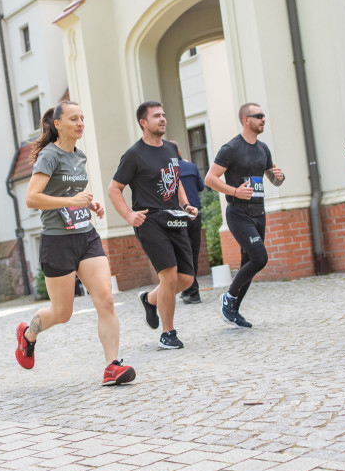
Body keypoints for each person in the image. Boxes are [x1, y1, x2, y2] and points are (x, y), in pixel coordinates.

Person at [14, 101, 134, 385]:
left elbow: (73, 192)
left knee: (105, 299)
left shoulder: (79, 155)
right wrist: (71, 201)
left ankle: (111, 367)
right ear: (57, 124)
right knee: (62, 312)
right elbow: (32, 198)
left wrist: (90, 203)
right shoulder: (49, 156)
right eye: (73, 118)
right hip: (57, 241)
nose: (80, 123)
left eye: (82, 118)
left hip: (85, 236)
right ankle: (28, 333)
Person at [108, 101, 200, 349]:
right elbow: (114, 189)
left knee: (187, 279)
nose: (162, 119)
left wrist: (185, 204)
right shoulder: (133, 154)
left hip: (174, 217)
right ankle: (167, 334)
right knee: (168, 274)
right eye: (156, 116)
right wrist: (129, 215)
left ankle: (149, 299)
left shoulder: (171, 148)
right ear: (143, 123)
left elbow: (175, 179)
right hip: (149, 220)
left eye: (163, 114)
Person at [205, 103, 285, 327]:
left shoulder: (263, 149)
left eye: (263, 116)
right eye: (258, 116)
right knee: (260, 258)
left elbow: (273, 178)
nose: (263, 119)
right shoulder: (231, 148)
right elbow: (210, 179)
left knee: (248, 262)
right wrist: (235, 191)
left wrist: (279, 176)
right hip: (238, 213)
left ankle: (232, 310)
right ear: (245, 120)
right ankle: (228, 297)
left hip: (259, 212)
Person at [178, 154, 205, 305]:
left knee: (182, 254)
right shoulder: (192, 167)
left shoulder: (167, 169)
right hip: (195, 213)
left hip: (179, 215)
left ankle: (191, 291)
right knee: (193, 253)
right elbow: (201, 187)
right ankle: (189, 290)